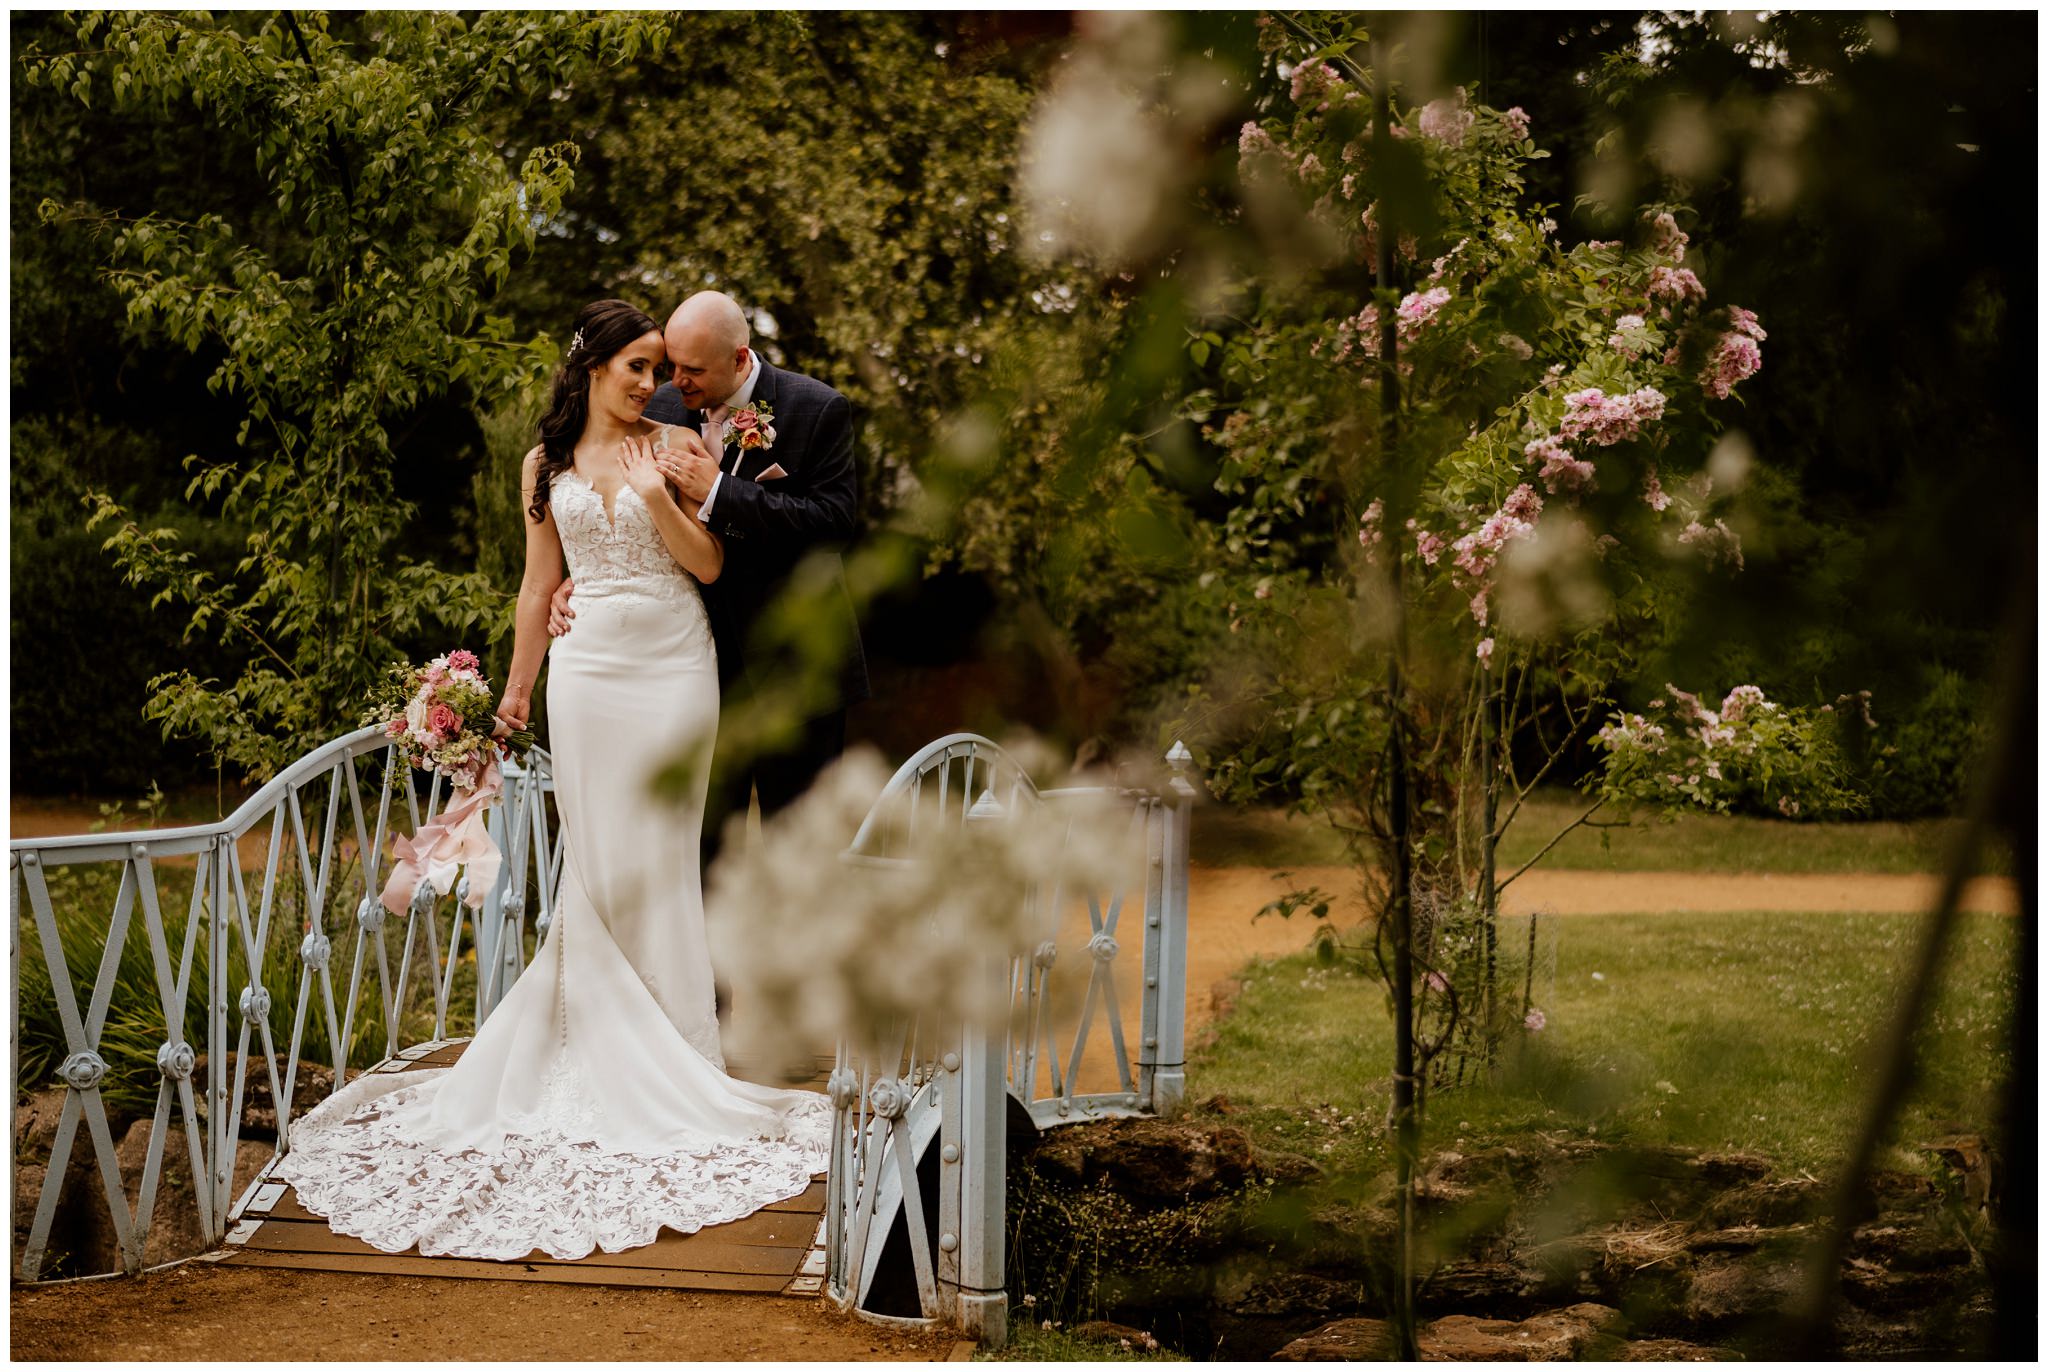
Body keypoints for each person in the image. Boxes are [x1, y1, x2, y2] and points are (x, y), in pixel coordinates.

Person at [270, 299, 830, 1261]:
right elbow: (538, 585)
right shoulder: (543, 466)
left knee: (661, 851)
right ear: (595, 367)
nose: (652, 384)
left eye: (660, 369)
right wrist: (515, 694)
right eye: (637, 367)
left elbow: (709, 564)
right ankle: (585, 1037)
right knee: (598, 856)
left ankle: (677, 1049)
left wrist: (662, 501)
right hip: (589, 677)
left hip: (676, 668)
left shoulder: (676, 448)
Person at [548, 291, 869, 882]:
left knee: (799, 859)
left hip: (795, 672)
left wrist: (723, 491)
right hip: (691, 669)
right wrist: (583, 575)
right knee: (697, 857)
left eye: (691, 370)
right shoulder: (662, 409)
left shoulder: (816, 409)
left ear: (739, 359)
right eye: (669, 364)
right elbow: (618, 504)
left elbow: (833, 523)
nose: (673, 381)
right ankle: (703, 980)